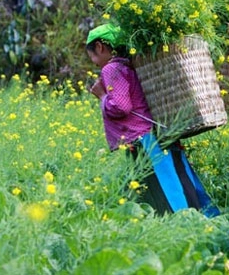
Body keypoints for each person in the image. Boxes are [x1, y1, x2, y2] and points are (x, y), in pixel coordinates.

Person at [86, 23, 219, 217]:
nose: (94, 62)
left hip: (144, 139)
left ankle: (186, 226)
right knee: (184, 180)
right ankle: (208, 219)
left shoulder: (111, 69)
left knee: (167, 189)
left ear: (99, 47)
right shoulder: (131, 64)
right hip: (160, 133)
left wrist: (102, 96)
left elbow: (122, 106)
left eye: (92, 57)